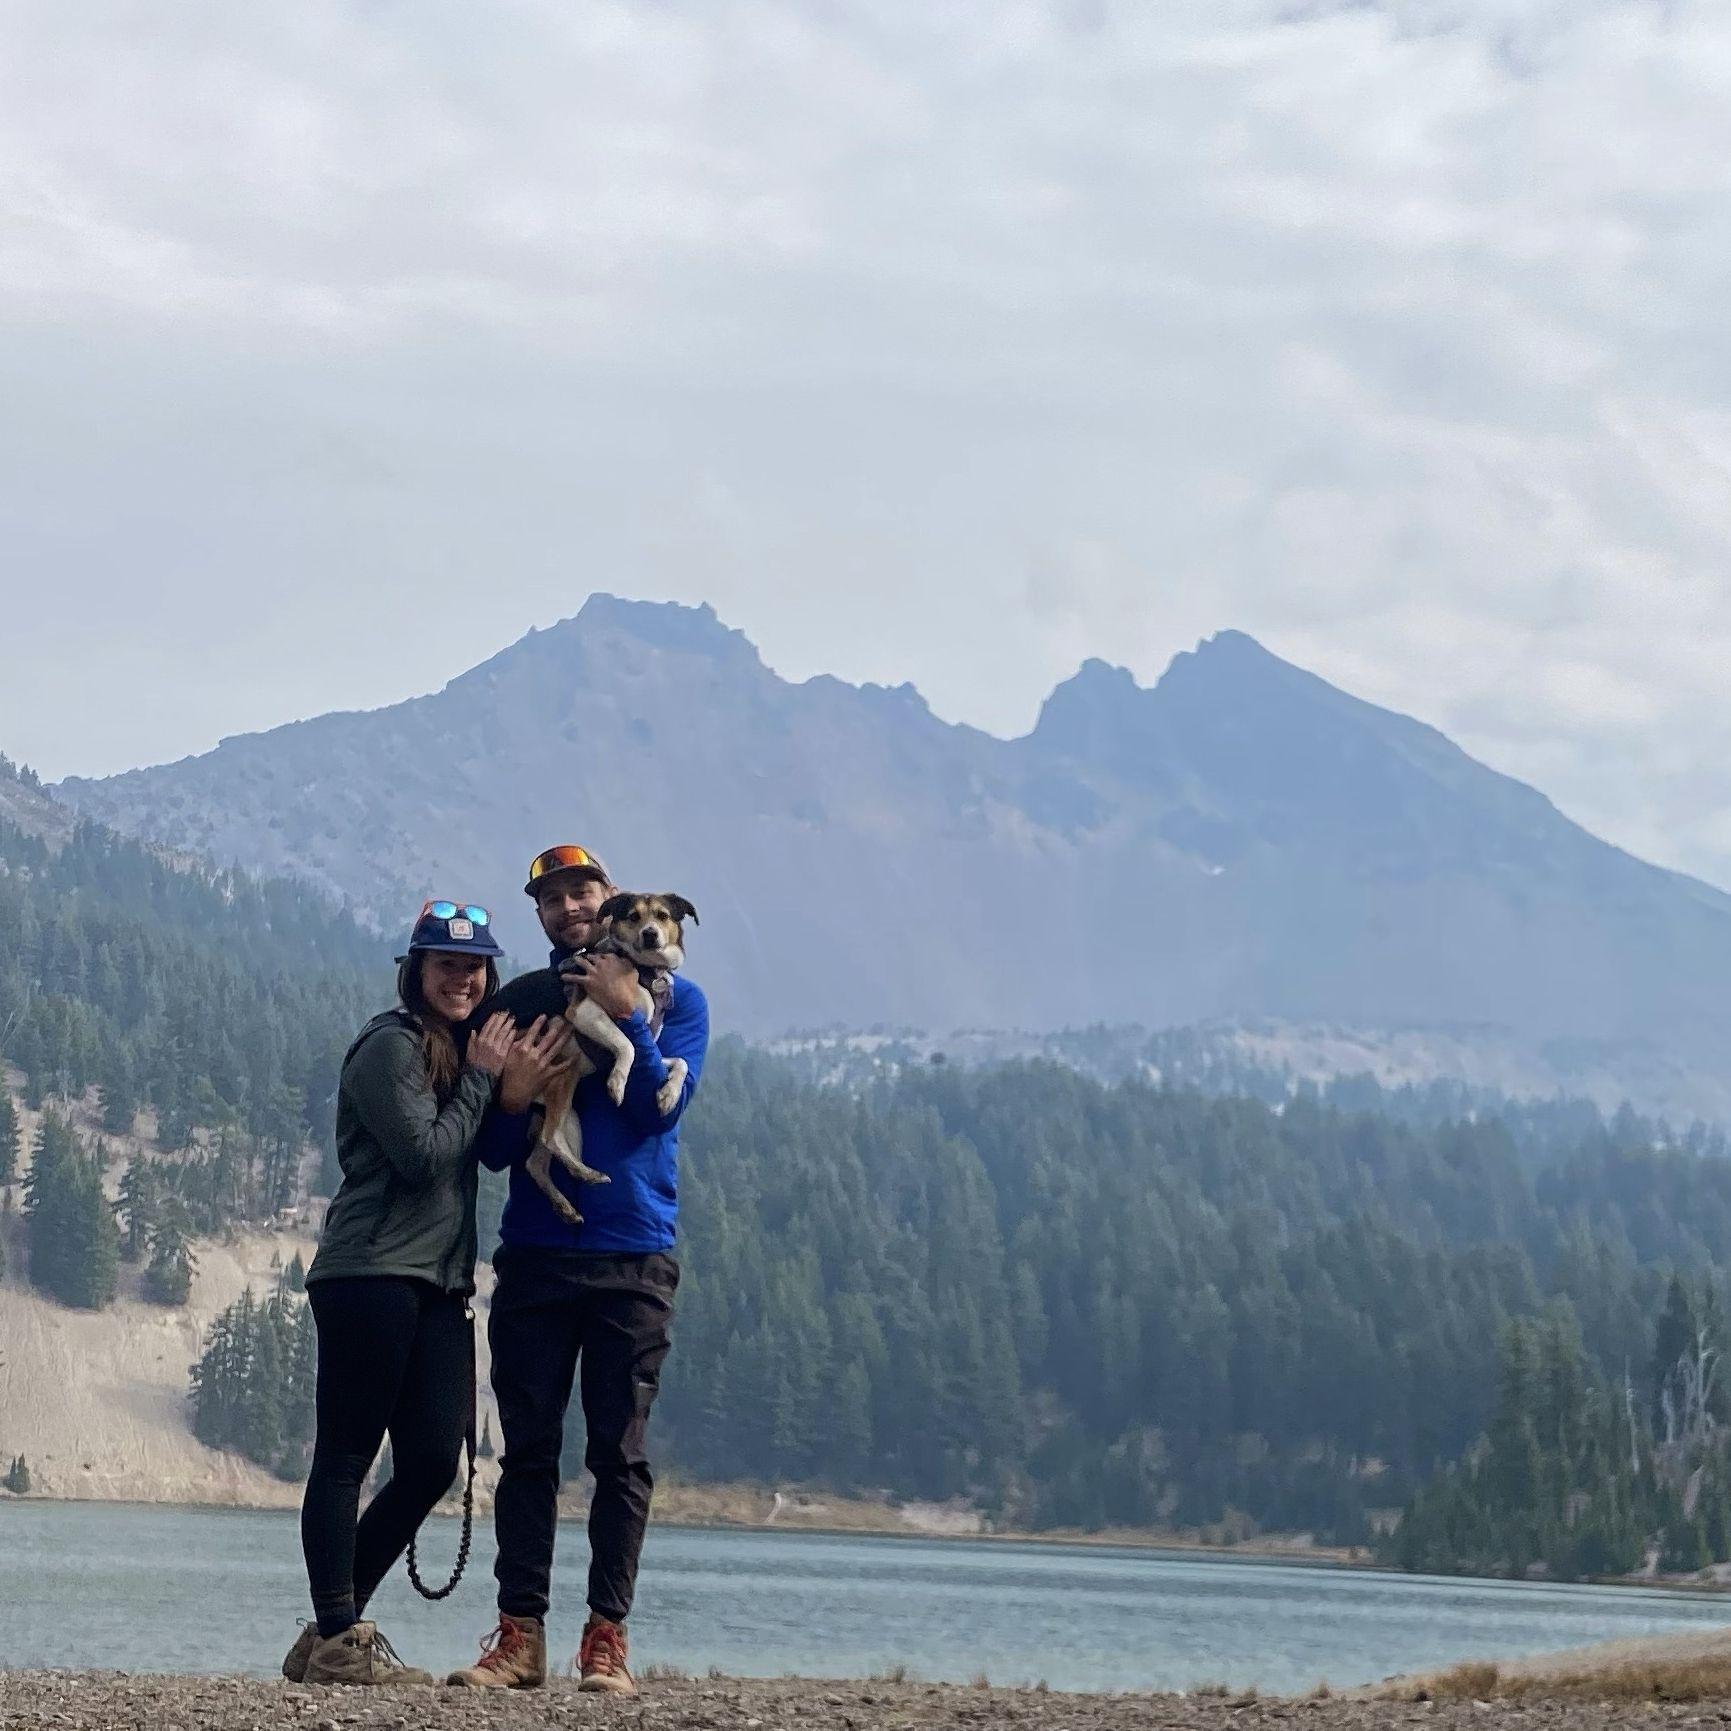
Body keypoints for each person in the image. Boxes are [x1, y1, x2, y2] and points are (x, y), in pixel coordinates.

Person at [286, 899, 578, 1688]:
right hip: (369, 1272)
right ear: (416, 970)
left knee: (428, 1462)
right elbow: (421, 1154)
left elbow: (485, 1150)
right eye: (447, 964)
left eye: (475, 967)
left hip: (440, 1284)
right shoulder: (390, 1045)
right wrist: (485, 1078)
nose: (463, 978)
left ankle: (328, 1631)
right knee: (346, 1453)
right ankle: (340, 1634)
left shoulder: (457, 1048)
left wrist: (507, 1087)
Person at [448, 844, 710, 1695]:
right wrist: (511, 1095)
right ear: (538, 914)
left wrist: (627, 1015)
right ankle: (519, 1638)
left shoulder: (681, 1002)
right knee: (527, 1452)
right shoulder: (524, 1000)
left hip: (634, 1253)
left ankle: (606, 1641)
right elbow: (494, 1151)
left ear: (612, 898)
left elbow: (657, 1113)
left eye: (581, 890)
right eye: (551, 897)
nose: (568, 906)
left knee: (618, 1456)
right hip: (535, 1254)